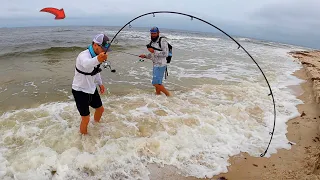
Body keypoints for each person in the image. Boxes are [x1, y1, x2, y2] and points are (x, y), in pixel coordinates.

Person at [71, 33, 110, 135]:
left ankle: (96, 126)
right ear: (95, 45)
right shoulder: (83, 55)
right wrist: (98, 59)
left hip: (91, 88)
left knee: (100, 110)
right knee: (86, 118)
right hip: (80, 90)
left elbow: (95, 71)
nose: (104, 51)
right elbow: (86, 64)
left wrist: (100, 84)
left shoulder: (97, 55)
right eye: (103, 48)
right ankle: (84, 138)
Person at [139, 27, 171, 96]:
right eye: (152, 33)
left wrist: (153, 51)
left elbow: (166, 53)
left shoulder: (163, 41)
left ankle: (169, 95)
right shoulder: (152, 42)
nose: (153, 35)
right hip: (155, 64)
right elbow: (153, 54)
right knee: (158, 83)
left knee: (155, 83)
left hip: (161, 65)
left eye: (154, 33)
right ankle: (158, 95)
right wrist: (145, 56)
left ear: (158, 33)